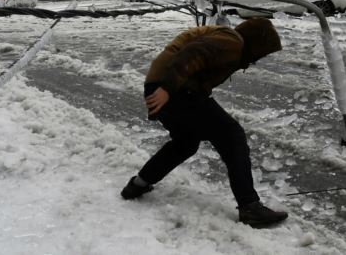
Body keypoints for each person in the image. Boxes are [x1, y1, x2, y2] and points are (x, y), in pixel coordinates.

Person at [120, 17, 289, 228]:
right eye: (262, 52)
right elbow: (193, 53)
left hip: (165, 85)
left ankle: (138, 184)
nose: (257, 59)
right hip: (173, 87)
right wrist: (167, 89)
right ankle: (250, 207)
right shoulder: (233, 41)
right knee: (232, 134)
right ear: (256, 43)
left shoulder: (229, 40)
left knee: (186, 142)